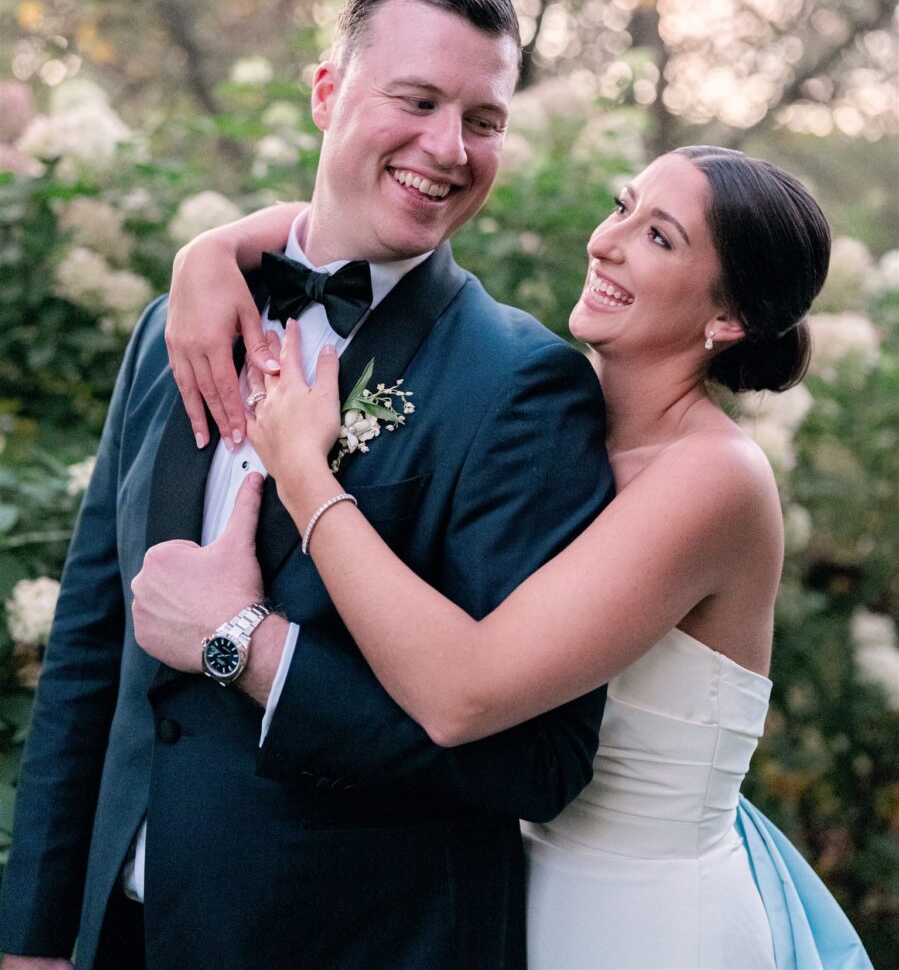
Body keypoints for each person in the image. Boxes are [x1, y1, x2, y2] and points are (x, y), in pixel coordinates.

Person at [0, 0, 616, 970]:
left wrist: (244, 646)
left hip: (344, 942)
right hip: (115, 933)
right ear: (327, 92)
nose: (448, 148)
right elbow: (90, 639)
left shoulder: (521, 386)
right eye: (415, 100)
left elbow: (531, 761)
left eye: (483, 120)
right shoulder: (174, 326)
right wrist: (34, 931)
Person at [162, 146, 874, 968]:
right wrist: (211, 250)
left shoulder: (714, 478)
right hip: (499, 892)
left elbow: (460, 695)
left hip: (641, 924)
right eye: (621, 206)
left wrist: (302, 475)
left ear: (729, 318)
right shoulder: (548, 421)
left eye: (659, 237)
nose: (605, 242)